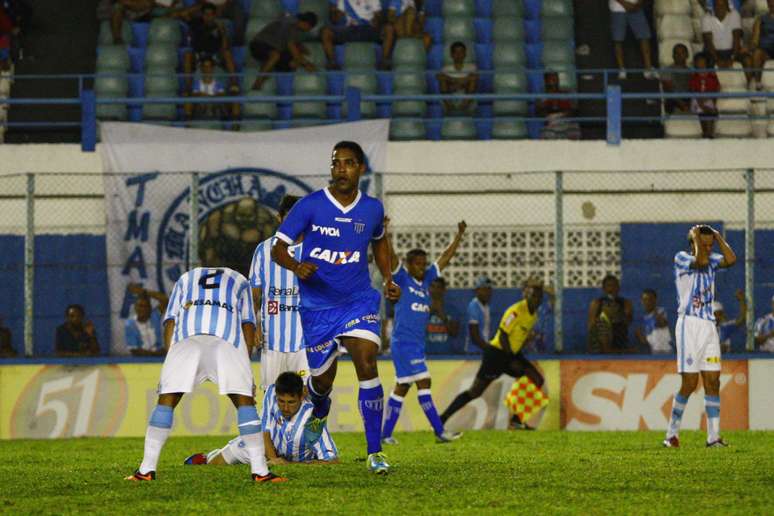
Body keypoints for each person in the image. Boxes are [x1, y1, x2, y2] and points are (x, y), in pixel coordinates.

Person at [271, 141, 401, 475]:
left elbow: (379, 242)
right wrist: (296, 267)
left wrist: (388, 277)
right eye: (336, 163)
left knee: (367, 361)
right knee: (322, 382)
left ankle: (375, 451)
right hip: (318, 308)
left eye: (348, 163)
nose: (341, 168)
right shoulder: (310, 205)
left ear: (361, 168)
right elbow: (278, 249)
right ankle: (319, 406)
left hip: (358, 300)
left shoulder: (372, 209)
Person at [126, 267, 285, 483]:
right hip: (226, 338)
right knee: (244, 403)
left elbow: (170, 320)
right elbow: (248, 324)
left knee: (166, 401)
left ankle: (146, 470)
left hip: (188, 336)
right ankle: (261, 472)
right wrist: (244, 369)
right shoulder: (240, 280)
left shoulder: (186, 278)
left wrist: (170, 362)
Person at [380, 220, 466, 445]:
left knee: (403, 386)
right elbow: (391, 256)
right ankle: (439, 432)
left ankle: (386, 434)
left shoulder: (426, 281)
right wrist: (385, 231)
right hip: (403, 342)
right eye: (417, 264)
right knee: (423, 381)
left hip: (415, 344)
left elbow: (445, 258)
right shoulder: (403, 279)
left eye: (423, 263)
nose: (422, 267)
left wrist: (458, 236)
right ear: (408, 265)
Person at [664, 224, 736, 449]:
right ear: (694, 242)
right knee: (690, 383)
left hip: (708, 326)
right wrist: (697, 239)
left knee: (713, 381)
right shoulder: (682, 259)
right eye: (704, 244)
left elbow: (732, 259)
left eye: (710, 244)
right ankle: (671, 434)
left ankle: (713, 437)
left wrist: (717, 237)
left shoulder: (713, 258)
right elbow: (701, 261)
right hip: (689, 324)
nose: (708, 248)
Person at [440, 278, 546, 429]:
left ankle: (516, 420)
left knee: (536, 379)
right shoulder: (516, 311)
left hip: (512, 354)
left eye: (539, 297)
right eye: (534, 295)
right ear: (526, 295)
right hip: (497, 354)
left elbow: (517, 337)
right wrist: (511, 360)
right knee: (475, 392)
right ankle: (441, 419)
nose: (537, 299)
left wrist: (527, 340)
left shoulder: (533, 315)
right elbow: (503, 335)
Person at [183, 371, 338, 466]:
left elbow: (332, 461)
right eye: (281, 401)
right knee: (215, 464)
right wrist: (274, 459)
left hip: (294, 457)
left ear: (302, 397)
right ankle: (207, 457)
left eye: (291, 402)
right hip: (265, 447)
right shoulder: (271, 393)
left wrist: (290, 465)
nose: (285, 407)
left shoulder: (311, 421)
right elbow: (264, 429)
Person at [249, 195, 309, 391]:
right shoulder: (263, 250)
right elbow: (254, 295)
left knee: (307, 399)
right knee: (271, 400)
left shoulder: (314, 249)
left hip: (305, 342)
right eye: (289, 217)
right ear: (279, 218)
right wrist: (255, 323)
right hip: (271, 341)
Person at [249, 12, 318, 90]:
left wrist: (302, 58)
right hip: (259, 44)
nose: (308, 30)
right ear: (306, 24)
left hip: (276, 49)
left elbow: (294, 47)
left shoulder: (296, 29)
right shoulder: (291, 24)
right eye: (310, 28)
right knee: (275, 55)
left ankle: (268, 67)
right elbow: (293, 49)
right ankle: (258, 82)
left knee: (293, 64)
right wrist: (306, 64)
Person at [321, 0, 396, 70]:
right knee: (326, 32)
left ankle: (384, 62)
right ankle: (332, 62)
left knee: (389, 29)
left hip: (369, 29)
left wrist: (377, 20)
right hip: (350, 30)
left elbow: (379, 16)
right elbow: (334, 21)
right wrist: (334, 11)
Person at [181, 2, 238, 94]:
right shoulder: (196, 23)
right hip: (199, 56)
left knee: (227, 53)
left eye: (211, 14)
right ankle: (188, 87)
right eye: (205, 14)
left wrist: (223, 34)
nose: (208, 17)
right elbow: (183, 14)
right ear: (202, 14)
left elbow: (224, 48)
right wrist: (201, 6)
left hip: (215, 57)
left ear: (215, 15)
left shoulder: (220, 27)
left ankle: (234, 84)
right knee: (187, 55)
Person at [701, 0, 753, 84]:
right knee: (702, 61)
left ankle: (748, 86)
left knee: (747, 59)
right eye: (717, 5)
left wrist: (733, 57)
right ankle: (710, 89)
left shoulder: (734, 15)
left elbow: (736, 38)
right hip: (713, 51)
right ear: (713, 7)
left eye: (722, 5)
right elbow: (708, 42)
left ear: (727, 6)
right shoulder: (706, 18)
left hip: (732, 50)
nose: (720, 8)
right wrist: (717, 59)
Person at [609, 0, 656, 80]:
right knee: (618, 39)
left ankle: (648, 69)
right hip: (618, 8)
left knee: (644, 37)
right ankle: (622, 70)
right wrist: (625, 4)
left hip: (636, 8)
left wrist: (638, 4)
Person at [587, 274, 634, 353]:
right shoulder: (597, 303)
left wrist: (620, 315)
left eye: (615, 286)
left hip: (619, 342)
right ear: (604, 288)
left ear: (618, 288)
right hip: (601, 346)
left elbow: (627, 323)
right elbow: (591, 326)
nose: (612, 289)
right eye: (609, 286)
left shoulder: (626, 303)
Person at [184, 57, 240, 122]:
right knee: (188, 101)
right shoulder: (197, 83)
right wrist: (205, 96)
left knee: (233, 100)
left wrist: (208, 97)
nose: (207, 69)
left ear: (212, 68)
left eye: (209, 66)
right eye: (204, 66)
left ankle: (235, 126)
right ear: (201, 68)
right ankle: (188, 126)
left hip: (216, 109)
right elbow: (195, 95)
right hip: (200, 109)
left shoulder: (218, 84)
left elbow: (221, 95)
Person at [124, 283, 168, 356]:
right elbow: (134, 350)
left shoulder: (154, 316)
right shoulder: (130, 324)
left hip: (160, 357)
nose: (142, 309)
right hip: (142, 360)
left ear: (150, 308)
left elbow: (165, 300)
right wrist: (155, 354)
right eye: (140, 306)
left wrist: (144, 292)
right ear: (135, 308)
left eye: (145, 306)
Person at [537, 71, 580, 140]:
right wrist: (550, 116)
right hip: (551, 124)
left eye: (555, 79)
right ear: (545, 81)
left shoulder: (566, 93)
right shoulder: (542, 97)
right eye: (551, 80)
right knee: (545, 134)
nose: (553, 82)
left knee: (575, 130)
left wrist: (564, 114)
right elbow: (539, 112)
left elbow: (574, 109)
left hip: (566, 122)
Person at [437, 41, 478, 114]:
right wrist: (463, 83)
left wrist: (452, 81)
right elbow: (439, 77)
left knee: (473, 80)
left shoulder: (472, 67)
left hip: (468, 101)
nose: (459, 55)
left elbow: (474, 78)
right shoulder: (445, 69)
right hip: (450, 100)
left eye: (461, 52)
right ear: (451, 54)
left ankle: (464, 106)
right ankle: (449, 107)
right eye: (456, 52)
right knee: (442, 79)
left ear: (465, 54)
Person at [425, 277, 461, 354]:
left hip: (446, 355)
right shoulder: (422, 308)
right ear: (429, 289)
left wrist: (443, 316)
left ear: (444, 290)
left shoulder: (452, 309)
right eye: (433, 287)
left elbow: (454, 333)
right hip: (427, 354)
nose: (435, 290)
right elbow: (415, 332)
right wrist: (428, 313)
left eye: (438, 287)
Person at [689, 52, 720, 139]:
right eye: (698, 61)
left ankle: (708, 134)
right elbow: (693, 91)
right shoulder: (694, 76)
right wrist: (701, 102)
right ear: (695, 63)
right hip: (697, 100)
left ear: (706, 62)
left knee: (707, 109)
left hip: (708, 99)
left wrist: (709, 101)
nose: (700, 63)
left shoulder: (712, 76)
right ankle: (706, 133)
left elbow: (715, 90)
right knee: (703, 111)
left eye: (702, 61)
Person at [635, 289, 672, 354]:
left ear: (655, 300)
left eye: (650, 299)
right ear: (642, 301)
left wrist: (655, 311)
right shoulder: (642, 319)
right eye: (645, 299)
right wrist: (640, 336)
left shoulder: (661, 311)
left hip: (666, 351)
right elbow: (643, 340)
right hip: (653, 352)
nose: (647, 302)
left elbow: (662, 323)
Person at [660, 43, 691, 114]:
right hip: (673, 100)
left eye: (682, 53)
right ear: (673, 55)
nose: (679, 56)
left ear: (687, 55)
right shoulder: (667, 70)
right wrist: (681, 103)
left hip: (688, 99)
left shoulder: (692, 71)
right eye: (676, 53)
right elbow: (668, 90)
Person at [466, 275, 492, 354]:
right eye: (484, 289)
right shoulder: (473, 306)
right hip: (474, 352)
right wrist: (490, 350)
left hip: (483, 350)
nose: (487, 292)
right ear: (476, 291)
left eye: (489, 289)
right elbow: (475, 337)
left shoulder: (487, 307)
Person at [714, 289, 746, 353]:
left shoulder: (725, 327)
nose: (718, 317)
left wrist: (742, 301)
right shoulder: (704, 328)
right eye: (715, 314)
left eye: (720, 314)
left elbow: (742, 319)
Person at [751, 0, 774, 87]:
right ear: (768, 4)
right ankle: (758, 83)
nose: (772, 4)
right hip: (765, 50)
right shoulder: (760, 19)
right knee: (757, 53)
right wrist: (752, 47)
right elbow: (755, 38)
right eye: (770, 2)